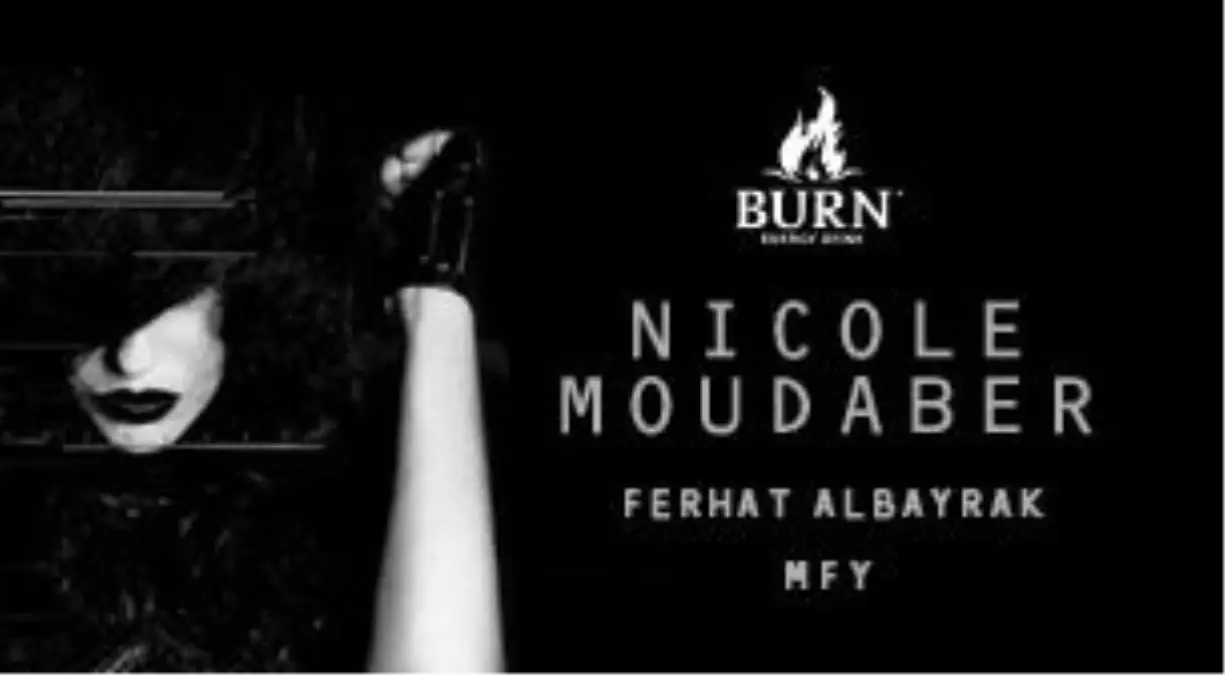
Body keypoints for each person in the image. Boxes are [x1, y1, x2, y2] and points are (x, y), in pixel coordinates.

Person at [0, 69, 505, 673]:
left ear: (249, 280)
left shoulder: (332, 495)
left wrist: (435, 301)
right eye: (96, 297)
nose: (131, 356)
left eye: (178, 292)